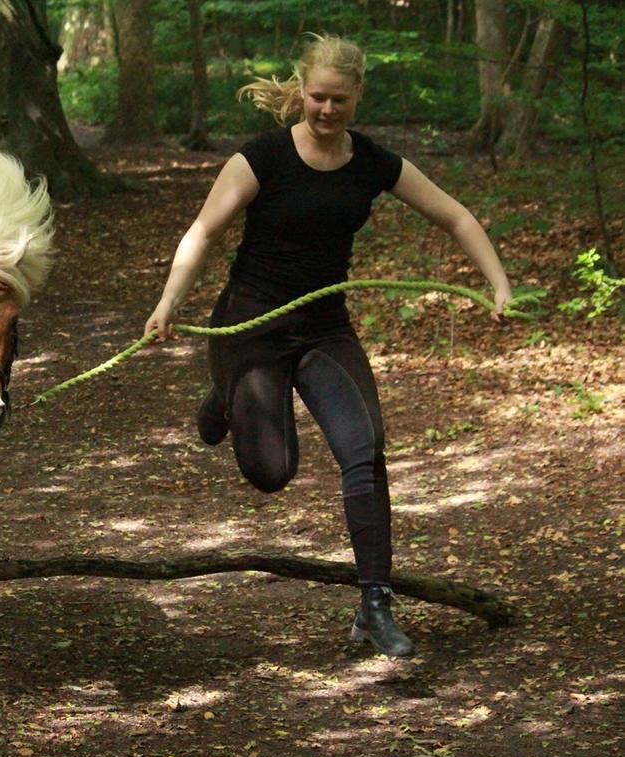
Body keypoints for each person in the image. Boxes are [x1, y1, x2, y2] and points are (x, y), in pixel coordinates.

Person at [144, 34, 512, 657]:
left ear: (358, 95)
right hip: (253, 325)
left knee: (364, 450)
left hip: (324, 329)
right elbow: (203, 231)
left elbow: (454, 216)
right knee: (271, 473)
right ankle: (226, 394)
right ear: (302, 90)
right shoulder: (262, 158)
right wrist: (168, 303)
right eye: (317, 97)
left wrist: (497, 283)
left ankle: (374, 605)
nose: (327, 109)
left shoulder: (372, 162)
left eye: (340, 99)